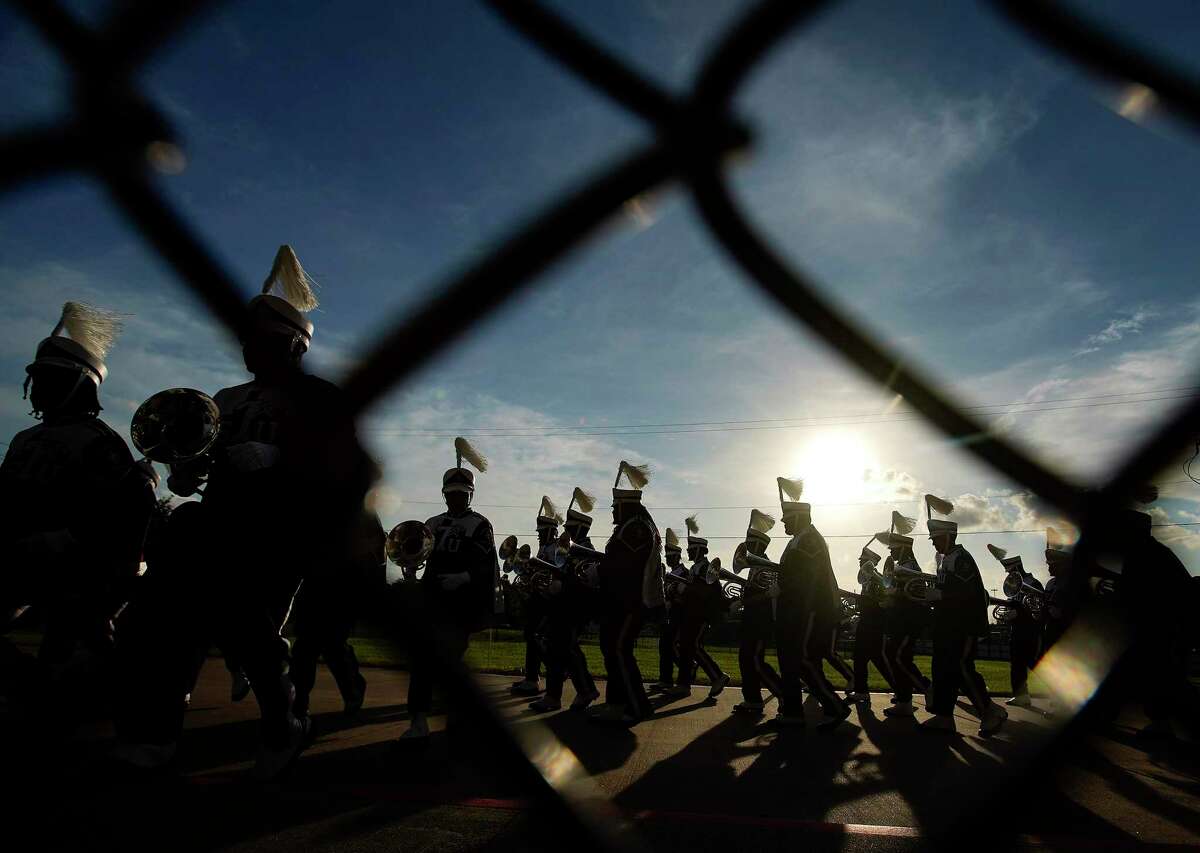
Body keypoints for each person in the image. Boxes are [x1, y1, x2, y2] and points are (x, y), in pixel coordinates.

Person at [117, 246, 378, 777]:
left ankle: (283, 720)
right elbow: (201, 461)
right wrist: (184, 473)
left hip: (281, 532)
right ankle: (160, 730)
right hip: (217, 524)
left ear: (292, 343)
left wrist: (280, 458)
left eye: (258, 339)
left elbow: (354, 474)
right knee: (174, 621)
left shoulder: (322, 399)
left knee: (241, 625)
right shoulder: (225, 398)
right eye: (244, 338)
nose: (245, 348)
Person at [0, 302, 156, 718]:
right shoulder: (22, 439)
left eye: (48, 379)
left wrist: (67, 540)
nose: (36, 389)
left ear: (78, 384)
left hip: (76, 571)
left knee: (66, 675)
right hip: (20, 561)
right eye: (35, 379)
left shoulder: (99, 442)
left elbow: (124, 514)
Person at [399, 437, 497, 742]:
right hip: (431, 598)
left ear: (470, 495)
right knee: (422, 659)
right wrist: (410, 564)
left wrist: (464, 577)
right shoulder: (431, 522)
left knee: (451, 660)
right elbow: (416, 551)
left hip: (461, 603)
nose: (456, 499)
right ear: (443, 494)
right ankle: (418, 719)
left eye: (461, 494)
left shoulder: (480, 524)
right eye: (451, 494)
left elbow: (485, 563)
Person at [919, 494, 1007, 736]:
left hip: (963, 625)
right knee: (943, 669)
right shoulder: (946, 559)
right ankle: (945, 716)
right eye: (933, 539)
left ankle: (989, 711)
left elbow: (965, 592)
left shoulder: (962, 558)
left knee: (960, 667)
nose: (934, 544)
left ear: (948, 536)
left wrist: (939, 595)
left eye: (936, 539)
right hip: (947, 625)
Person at [290, 509, 384, 720]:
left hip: (344, 590)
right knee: (305, 647)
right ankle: (298, 705)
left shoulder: (361, 508)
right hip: (313, 587)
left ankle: (353, 689)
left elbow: (377, 548)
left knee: (333, 646)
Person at [772, 477, 851, 730]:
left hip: (811, 611)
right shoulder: (801, 539)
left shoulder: (808, 540)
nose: (783, 523)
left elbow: (803, 578)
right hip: (799, 610)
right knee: (791, 660)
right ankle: (793, 711)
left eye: (786, 519)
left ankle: (835, 706)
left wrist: (781, 586)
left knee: (802, 659)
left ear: (798, 517)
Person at [593, 461, 660, 725]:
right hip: (619, 602)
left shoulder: (635, 528)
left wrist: (600, 569)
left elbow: (625, 565)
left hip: (630, 603)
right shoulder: (631, 526)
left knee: (620, 651)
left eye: (614, 505)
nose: (612, 510)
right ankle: (616, 704)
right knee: (612, 650)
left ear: (624, 504)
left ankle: (637, 707)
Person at [529, 488, 600, 712]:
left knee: (563, 648)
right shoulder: (566, 548)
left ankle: (565, 694)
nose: (565, 531)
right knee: (559, 648)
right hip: (561, 605)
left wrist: (562, 584)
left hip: (575, 607)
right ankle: (577, 691)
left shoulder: (586, 550)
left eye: (569, 528)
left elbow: (586, 582)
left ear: (579, 528)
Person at [665, 515, 730, 699]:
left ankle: (717, 676)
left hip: (700, 614)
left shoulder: (704, 568)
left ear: (699, 550)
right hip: (692, 613)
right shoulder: (695, 568)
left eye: (691, 549)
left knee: (692, 646)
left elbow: (709, 590)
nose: (688, 551)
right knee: (686, 647)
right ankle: (684, 685)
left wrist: (687, 588)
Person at [731, 509, 783, 714]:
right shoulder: (755, 567)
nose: (746, 548)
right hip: (752, 619)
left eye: (749, 544)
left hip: (760, 621)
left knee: (755, 661)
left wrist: (743, 600)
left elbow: (768, 596)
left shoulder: (765, 567)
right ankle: (752, 699)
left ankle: (783, 695)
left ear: (758, 545)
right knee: (746, 659)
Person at [878, 527, 933, 718]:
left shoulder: (910, 567)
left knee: (899, 657)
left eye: (894, 549)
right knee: (894, 656)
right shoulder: (901, 565)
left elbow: (917, 595)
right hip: (898, 621)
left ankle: (926, 687)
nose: (891, 552)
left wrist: (896, 594)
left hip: (908, 621)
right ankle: (904, 701)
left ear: (902, 548)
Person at [512, 496, 562, 696]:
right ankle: (531, 677)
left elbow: (557, 572)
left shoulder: (557, 547)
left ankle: (539, 678)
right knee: (530, 636)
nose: (539, 535)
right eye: (539, 532)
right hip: (538, 599)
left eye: (542, 531)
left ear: (551, 530)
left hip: (549, 602)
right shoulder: (543, 547)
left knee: (538, 639)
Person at [986, 544, 1043, 709]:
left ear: (1017, 568)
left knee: (1036, 664)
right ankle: (1021, 695)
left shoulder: (1033, 583)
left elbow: (1037, 607)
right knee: (1016, 664)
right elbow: (1014, 605)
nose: (1009, 575)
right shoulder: (1013, 585)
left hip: (1030, 632)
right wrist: (1008, 613)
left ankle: (1058, 693)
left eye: (1011, 572)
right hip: (1017, 631)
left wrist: (1019, 614)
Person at [848, 543, 896, 704]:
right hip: (866, 622)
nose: (860, 563)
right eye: (861, 561)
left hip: (874, 623)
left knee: (877, 659)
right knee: (861, 657)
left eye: (863, 561)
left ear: (871, 562)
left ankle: (901, 690)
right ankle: (862, 691)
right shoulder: (867, 580)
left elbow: (884, 601)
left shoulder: (876, 580)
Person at [654, 528, 685, 691]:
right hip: (668, 615)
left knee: (670, 646)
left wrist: (673, 600)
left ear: (677, 556)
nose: (668, 559)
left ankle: (686, 669)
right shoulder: (669, 574)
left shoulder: (684, 573)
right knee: (663, 646)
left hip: (678, 615)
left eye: (670, 556)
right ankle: (665, 679)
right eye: (667, 556)